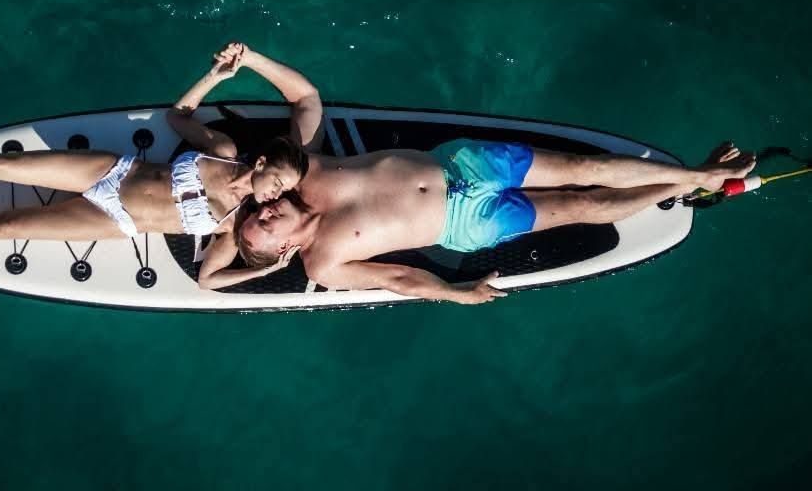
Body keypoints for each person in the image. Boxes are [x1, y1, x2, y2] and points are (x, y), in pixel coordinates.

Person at [0, 44, 315, 249]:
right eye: (278, 183)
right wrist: (215, 76)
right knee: (0, 164)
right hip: (113, 171)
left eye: (282, 193)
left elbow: (241, 262)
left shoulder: (235, 222)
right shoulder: (221, 151)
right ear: (261, 162)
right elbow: (177, 117)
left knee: (2, 227)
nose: (276, 196)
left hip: (115, 220)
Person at [231, 138, 756, 304]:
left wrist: (237, 188)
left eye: (260, 211)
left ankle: (700, 174)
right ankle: (689, 185)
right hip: (467, 222)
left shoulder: (301, 174)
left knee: (582, 168)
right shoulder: (323, 263)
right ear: (282, 250)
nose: (268, 211)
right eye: (266, 225)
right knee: (584, 205)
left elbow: (298, 109)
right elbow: (399, 278)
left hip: (463, 164)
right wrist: (458, 294)